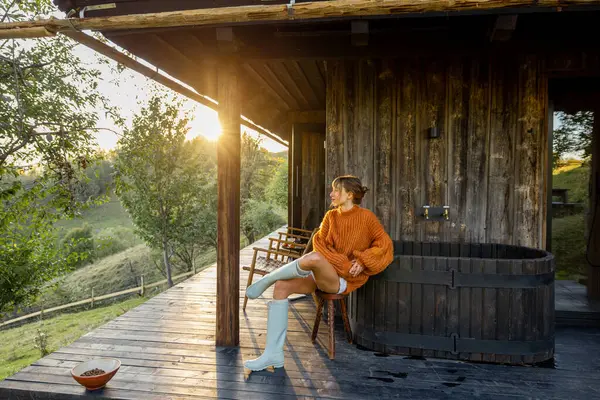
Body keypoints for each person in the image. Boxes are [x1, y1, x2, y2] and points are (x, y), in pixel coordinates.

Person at [244, 175, 394, 371]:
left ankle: (268, 278)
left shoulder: (366, 218)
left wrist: (363, 260)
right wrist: (342, 262)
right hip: (322, 274)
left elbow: (386, 246)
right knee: (282, 287)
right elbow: (320, 245)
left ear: (349, 195)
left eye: (336, 190)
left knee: (313, 257)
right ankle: (273, 354)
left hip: (342, 280)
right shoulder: (331, 217)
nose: (331, 194)